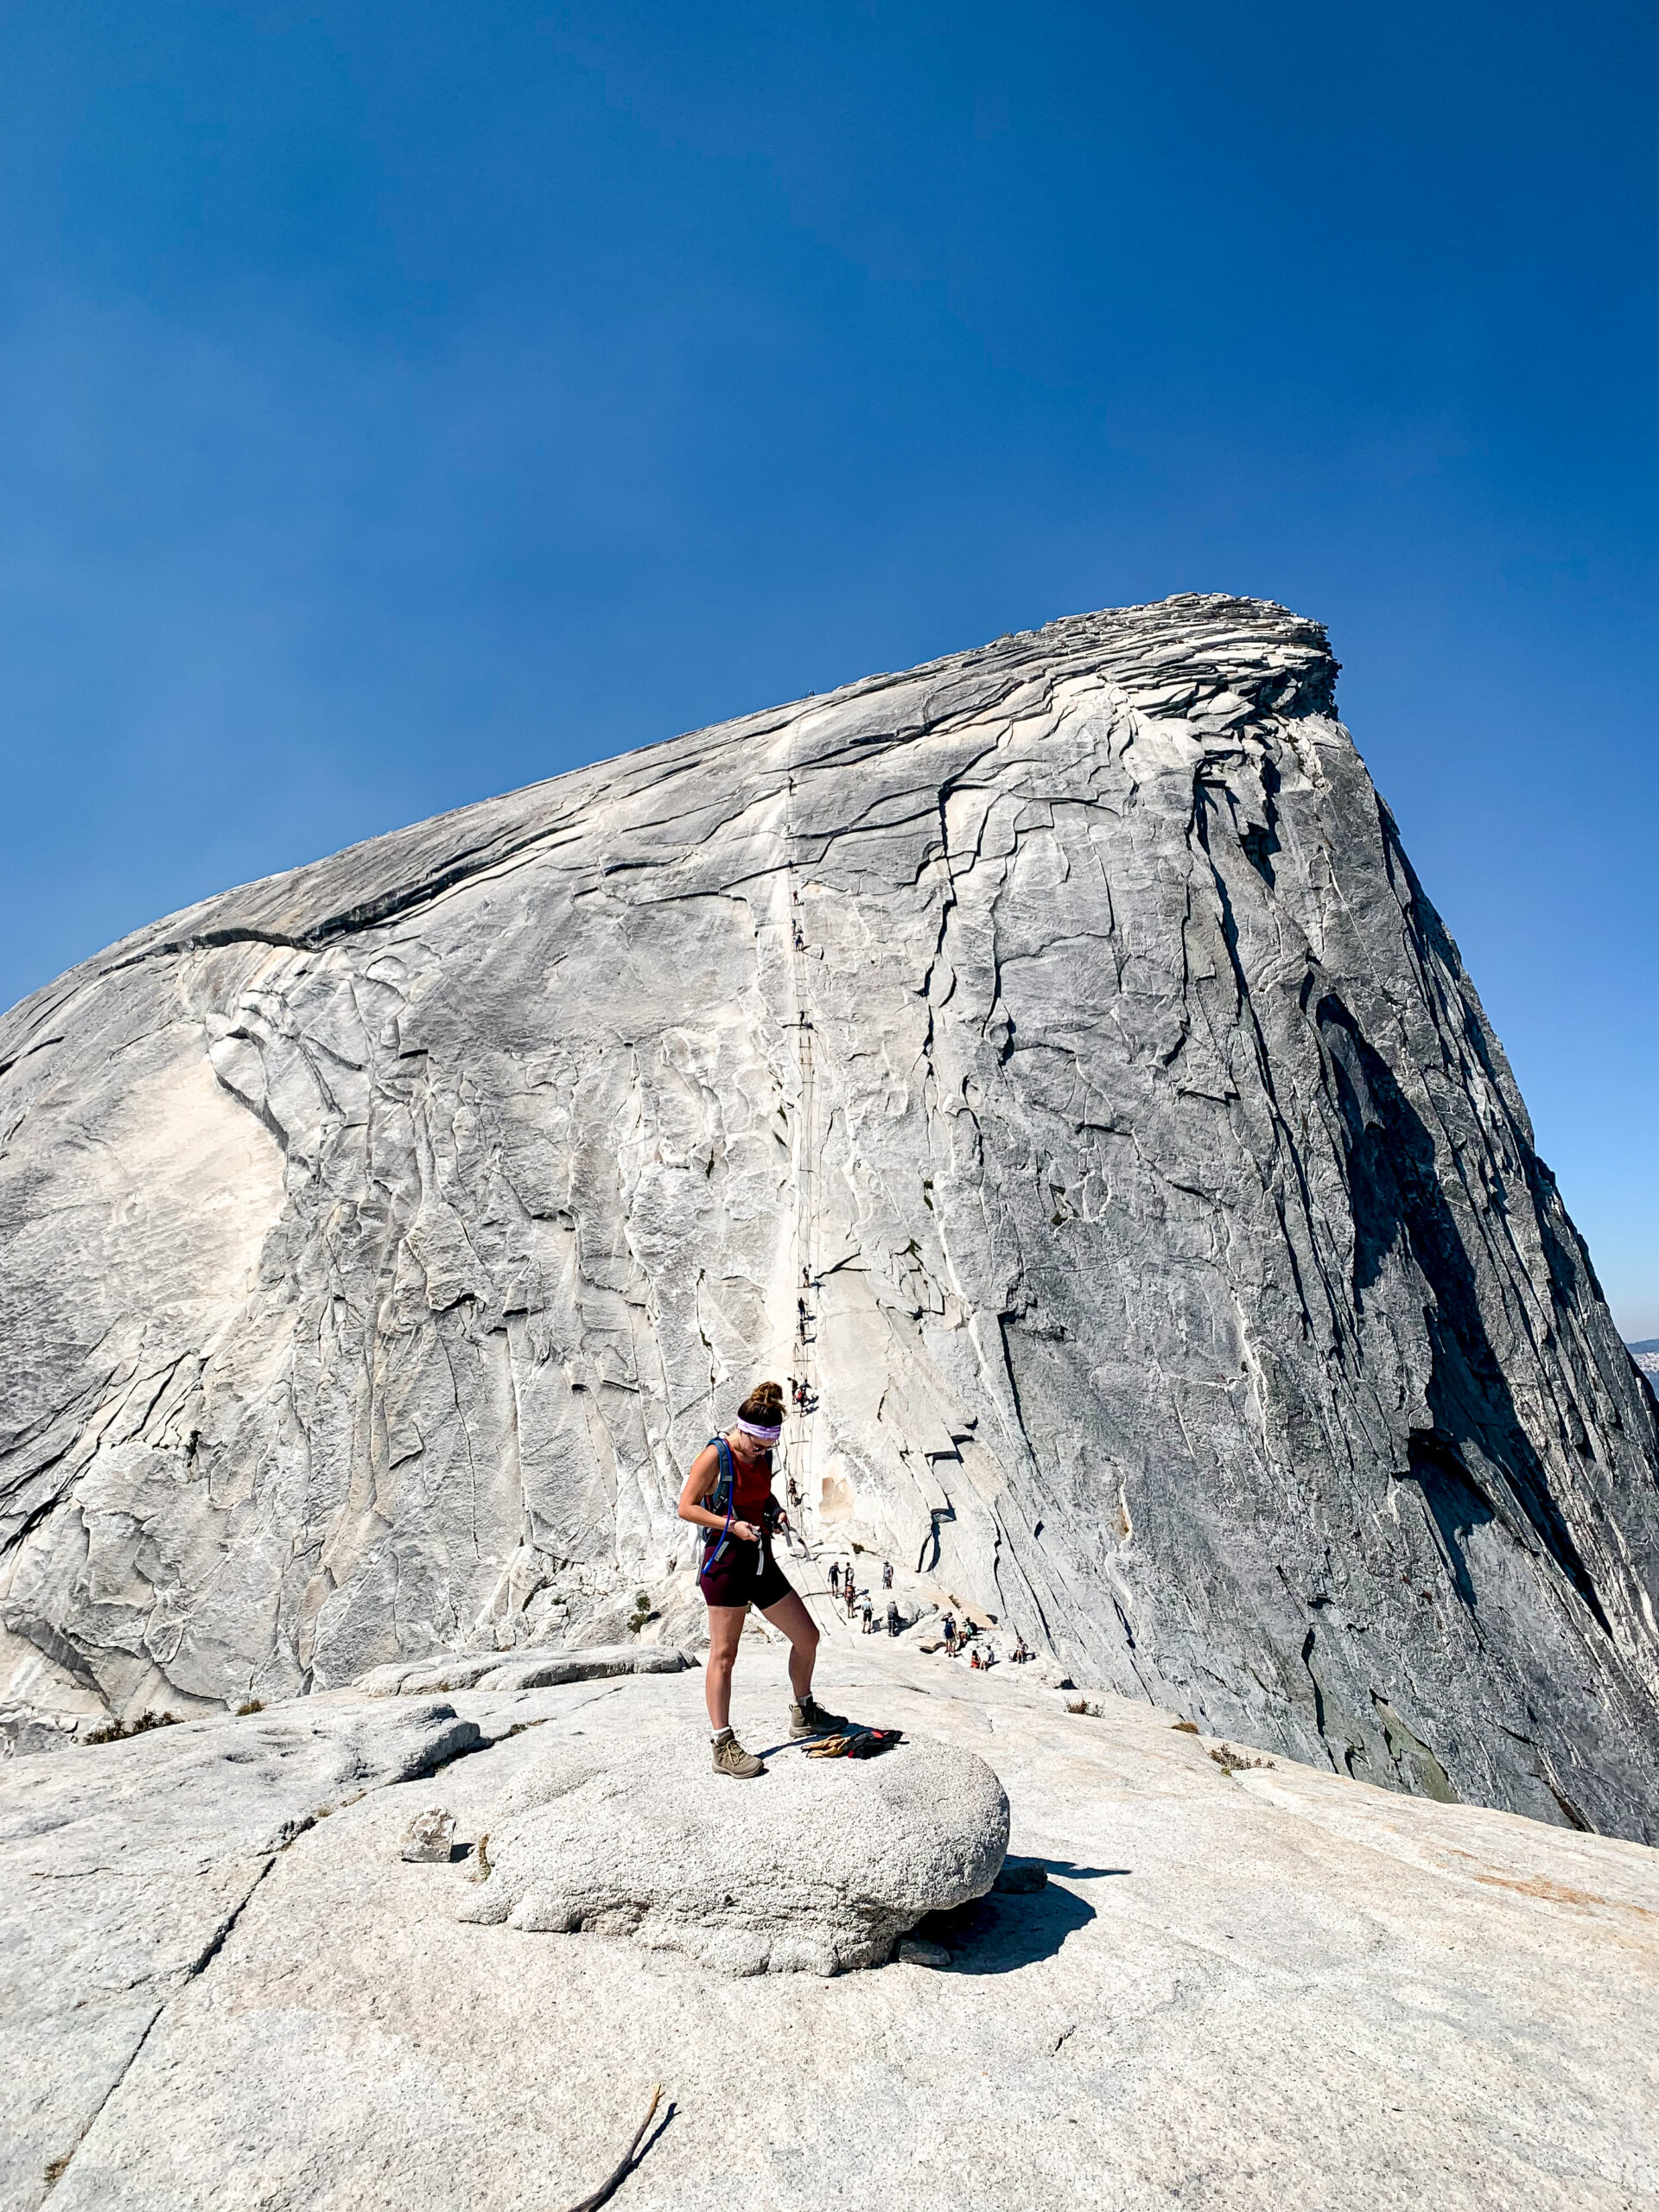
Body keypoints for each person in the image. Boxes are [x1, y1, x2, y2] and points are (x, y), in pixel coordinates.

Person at [678, 1380, 845, 1777]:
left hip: (758, 1557)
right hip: (725, 1562)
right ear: (742, 1430)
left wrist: (775, 1511)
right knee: (724, 1655)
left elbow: (761, 1494)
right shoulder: (714, 1456)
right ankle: (722, 1744)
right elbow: (686, 1507)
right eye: (756, 1444)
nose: (760, 1452)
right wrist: (730, 1525)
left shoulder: (763, 1457)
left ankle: (804, 1712)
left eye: (767, 1447)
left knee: (808, 1637)